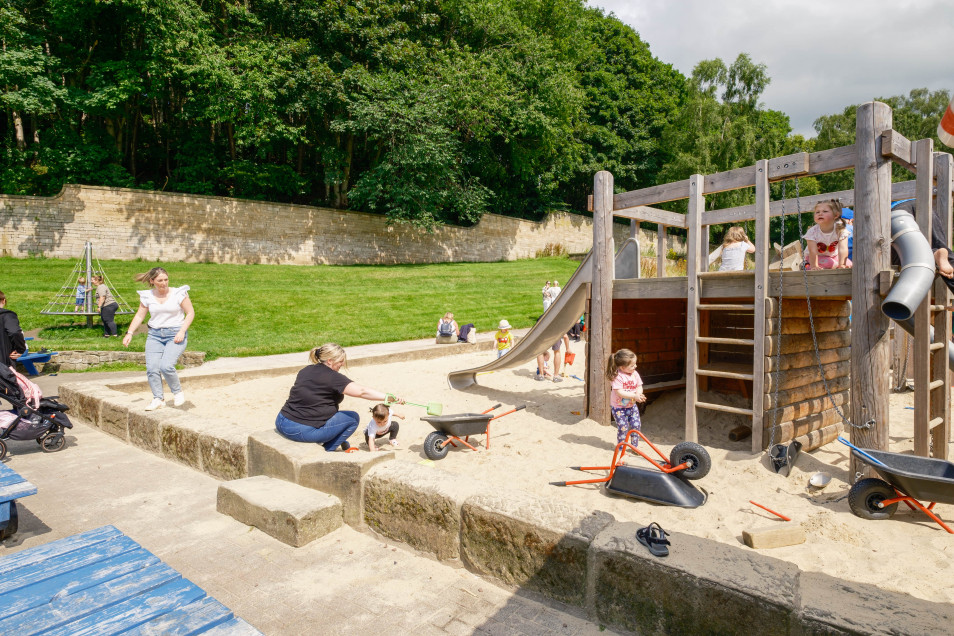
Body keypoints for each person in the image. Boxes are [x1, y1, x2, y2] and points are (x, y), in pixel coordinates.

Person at [276, 343, 404, 452]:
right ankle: (328, 449)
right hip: (300, 431)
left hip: (282, 421)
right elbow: (362, 392)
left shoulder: (306, 370)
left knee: (335, 415)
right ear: (330, 361)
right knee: (353, 418)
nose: (342, 364)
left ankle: (336, 442)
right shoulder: (333, 377)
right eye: (340, 361)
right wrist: (388, 397)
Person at [122, 267, 195, 411]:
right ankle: (158, 398)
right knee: (152, 368)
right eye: (160, 280)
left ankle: (177, 392)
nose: (164, 283)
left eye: (166, 279)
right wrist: (129, 332)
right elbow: (139, 316)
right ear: (152, 281)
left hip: (175, 333)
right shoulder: (147, 296)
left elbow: (190, 313)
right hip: (155, 335)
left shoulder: (179, 293)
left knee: (166, 366)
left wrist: (182, 331)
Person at [607, 348, 646, 446]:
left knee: (636, 426)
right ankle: (621, 447)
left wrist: (639, 394)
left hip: (632, 406)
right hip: (619, 408)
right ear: (622, 367)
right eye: (632, 365)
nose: (635, 366)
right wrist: (634, 395)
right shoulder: (617, 376)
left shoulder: (634, 374)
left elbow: (639, 385)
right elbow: (620, 392)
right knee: (623, 427)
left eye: (635, 364)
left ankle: (634, 446)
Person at [803, 200, 851, 270]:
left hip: (833, 256)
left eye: (825, 211)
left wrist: (842, 264)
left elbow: (843, 249)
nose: (820, 214)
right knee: (831, 264)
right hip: (815, 257)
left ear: (836, 215)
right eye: (817, 212)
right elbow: (812, 251)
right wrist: (814, 266)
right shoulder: (812, 232)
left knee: (849, 265)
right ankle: (807, 265)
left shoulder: (840, 230)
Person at [0, 291, 26, 368]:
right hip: (3, 363)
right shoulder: (7, 316)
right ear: (4, 300)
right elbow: (14, 332)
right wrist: (20, 349)